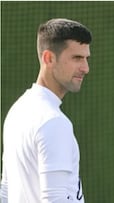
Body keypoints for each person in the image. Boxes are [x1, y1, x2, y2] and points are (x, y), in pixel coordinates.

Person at [0, 18, 92, 202]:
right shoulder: (54, 122)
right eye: (77, 58)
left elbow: (5, 192)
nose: (85, 68)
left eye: (86, 58)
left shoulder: (17, 111)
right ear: (48, 58)